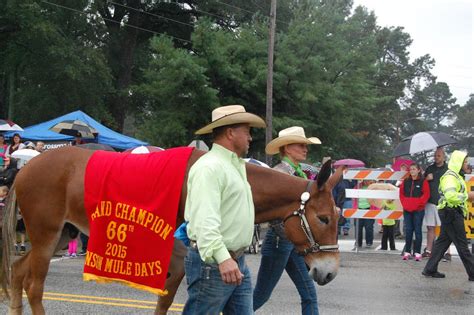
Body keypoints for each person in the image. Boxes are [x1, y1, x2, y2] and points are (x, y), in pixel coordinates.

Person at [183, 105, 265, 314]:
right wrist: (223, 258)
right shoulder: (209, 168)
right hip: (215, 263)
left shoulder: (233, 165)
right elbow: (204, 221)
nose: (250, 138)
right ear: (230, 133)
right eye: (246, 131)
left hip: (233, 261)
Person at [253, 126, 321, 315]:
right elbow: (274, 213)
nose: (305, 149)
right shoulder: (280, 174)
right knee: (261, 295)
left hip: (291, 243)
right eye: (301, 145)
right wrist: (294, 234)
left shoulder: (299, 173)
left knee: (309, 294)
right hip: (279, 242)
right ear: (287, 148)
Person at [422, 151, 474, 281]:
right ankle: (473, 273)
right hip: (451, 212)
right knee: (462, 245)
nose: (467, 164)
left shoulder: (456, 176)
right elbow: (451, 196)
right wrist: (468, 196)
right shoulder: (451, 177)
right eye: (465, 161)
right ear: (459, 163)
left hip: (450, 212)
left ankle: (430, 269)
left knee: (442, 242)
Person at [399, 163, 429, 261]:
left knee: (418, 230)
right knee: (408, 230)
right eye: (411, 169)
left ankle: (417, 252)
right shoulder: (406, 181)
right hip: (407, 209)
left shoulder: (423, 181)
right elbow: (401, 194)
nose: (412, 171)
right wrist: (405, 204)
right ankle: (407, 251)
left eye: (414, 169)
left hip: (418, 210)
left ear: (418, 170)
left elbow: (426, 194)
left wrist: (419, 204)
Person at [422, 148, 448, 258]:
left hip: (444, 201)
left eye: (438, 156)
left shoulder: (448, 169)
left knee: (445, 228)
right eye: (435, 155)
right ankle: (429, 250)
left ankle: (446, 252)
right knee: (430, 227)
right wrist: (426, 178)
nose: (436, 158)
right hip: (431, 201)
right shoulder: (429, 168)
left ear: (444, 157)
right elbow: (421, 182)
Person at [354, 180, 375, 247]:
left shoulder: (372, 187)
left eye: (367, 180)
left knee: (369, 227)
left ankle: (369, 242)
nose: (366, 182)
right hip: (358, 209)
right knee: (358, 227)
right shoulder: (357, 186)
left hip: (368, 209)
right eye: (365, 180)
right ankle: (358, 242)